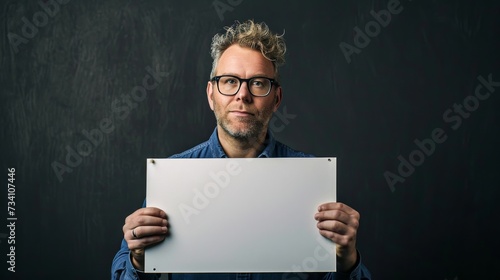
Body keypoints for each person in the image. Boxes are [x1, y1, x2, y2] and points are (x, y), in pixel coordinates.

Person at [111, 19, 372, 280]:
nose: (242, 95)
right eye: (229, 81)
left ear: (277, 99)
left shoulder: (312, 183)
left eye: (258, 83)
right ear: (211, 94)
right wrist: (139, 260)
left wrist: (347, 260)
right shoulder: (171, 179)